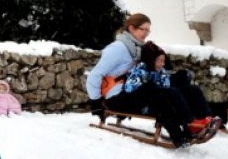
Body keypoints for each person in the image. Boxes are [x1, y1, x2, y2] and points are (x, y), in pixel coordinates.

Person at [86, 14, 220, 147]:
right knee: (159, 91)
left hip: (134, 91)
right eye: (143, 29)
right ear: (131, 28)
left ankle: (205, 120)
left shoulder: (139, 48)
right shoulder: (119, 48)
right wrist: (96, 102)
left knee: (189, 88)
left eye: (148, 30)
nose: (146, 33)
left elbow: (153, 70)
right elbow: (95, 75)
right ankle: (189, 125)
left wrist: (175, 77)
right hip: (117, 98)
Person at [124, 42, 218, 136]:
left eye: (163, 61)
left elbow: (167, 86)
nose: (162, 64)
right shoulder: (139, 72)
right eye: (159, 61)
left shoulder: (161, 71)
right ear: (150, 60)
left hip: (164, 100)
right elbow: (130, 92)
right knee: (173, 93)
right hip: (146, 106)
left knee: (193, 89)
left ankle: (206, 118)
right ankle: (190, 124)